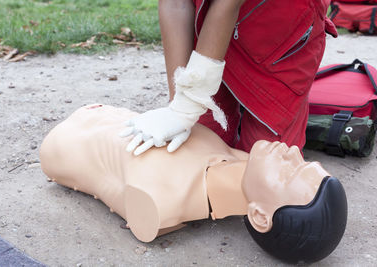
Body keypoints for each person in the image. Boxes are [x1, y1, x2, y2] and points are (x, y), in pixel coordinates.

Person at [40, 104, 347, 263]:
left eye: (290, 172)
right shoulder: (241, 162)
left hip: (63, 141)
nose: (293, 152)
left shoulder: (162, 203)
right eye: (305, 162)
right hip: (103, 112)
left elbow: (110, 185)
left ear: (259, 216)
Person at [119, 0, 338, 156]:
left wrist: (189, 103)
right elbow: (175, 3)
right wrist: (179, 106)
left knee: (269, 173)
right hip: (210, 31)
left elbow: (227, 3)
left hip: (279, 32)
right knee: (193, 155)